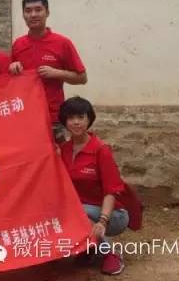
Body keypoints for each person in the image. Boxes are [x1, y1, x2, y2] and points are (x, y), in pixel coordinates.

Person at [59, 97, 128, 276]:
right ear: (64, 121)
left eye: (81, 117)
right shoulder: (64, 150)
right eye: (71, 118)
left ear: (89, 119)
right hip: (82, 211)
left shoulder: (101, 150)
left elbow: (111, 191)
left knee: (76, 212)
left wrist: (103, 220)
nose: (76, 122)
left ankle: (110, 253)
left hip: (112, 214)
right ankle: (89, 247)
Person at [9, 0, 87, 142]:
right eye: (28, 10)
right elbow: (9, 82)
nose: (33, 14)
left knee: (56, 155)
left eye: (38, 10)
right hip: (24, 116)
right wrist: (12, 68)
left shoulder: (62, 43)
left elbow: (82, 78)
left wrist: (56, 73)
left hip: (54, 118)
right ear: (23, 15)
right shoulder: (18, 45)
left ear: (47, 12)